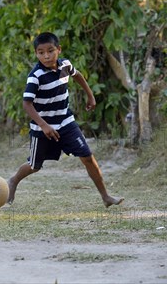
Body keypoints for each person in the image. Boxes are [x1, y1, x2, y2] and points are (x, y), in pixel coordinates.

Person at [7, 32, 123, 208]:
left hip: (66, 122)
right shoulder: (35, 76)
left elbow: (78, 76)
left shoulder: (65, 65)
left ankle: (106, 197)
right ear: (36, 54)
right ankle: (14, 181)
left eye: (50, 50)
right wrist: (44, 126)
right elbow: (27, 104)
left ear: (58, 50)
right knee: (34, 166)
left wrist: (90, 96)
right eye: (41, 52)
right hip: (42, 129)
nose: (46, 56)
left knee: (88, 157)